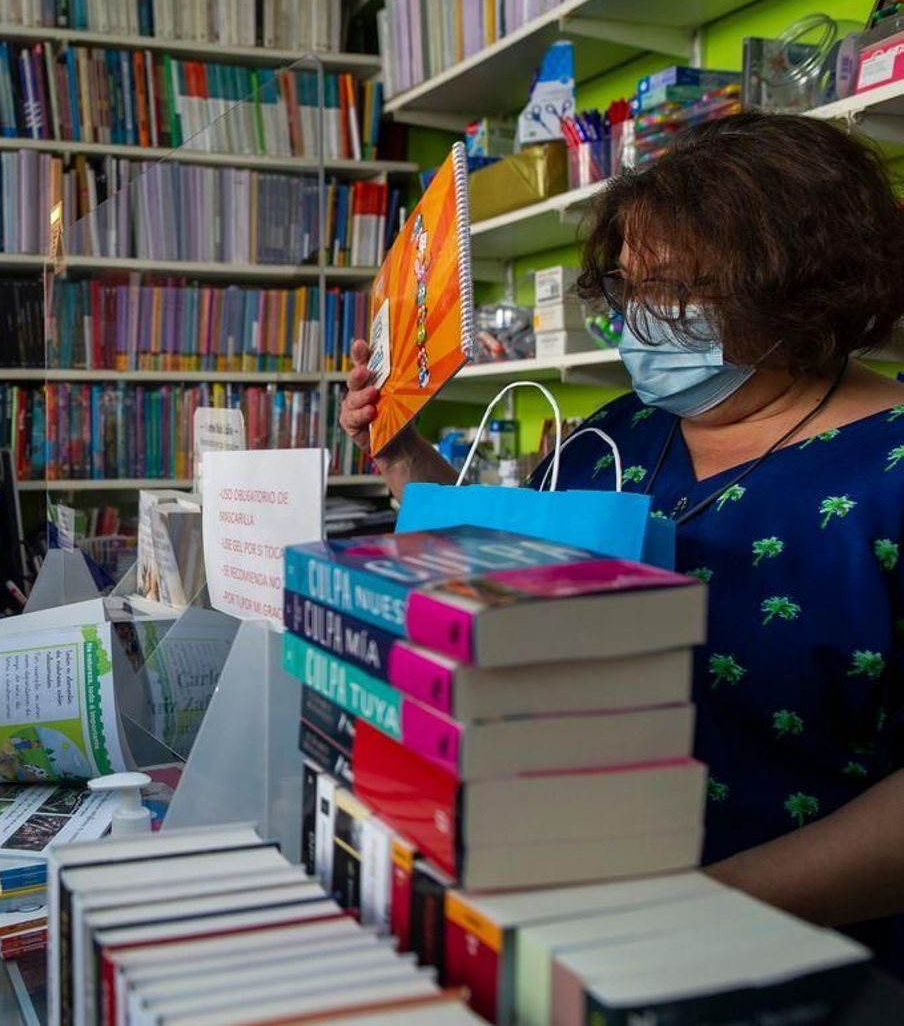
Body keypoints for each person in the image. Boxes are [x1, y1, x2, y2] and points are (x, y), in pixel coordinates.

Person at [341, 111, 904, 969]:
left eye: (678, 289)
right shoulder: (619, 432)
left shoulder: (887, 476)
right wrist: (405, 457)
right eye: (628, 287)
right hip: (560, 917)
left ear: (801, 288)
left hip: (799, 953)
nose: (643, 319)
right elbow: (505, 583)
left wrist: (715, 902)